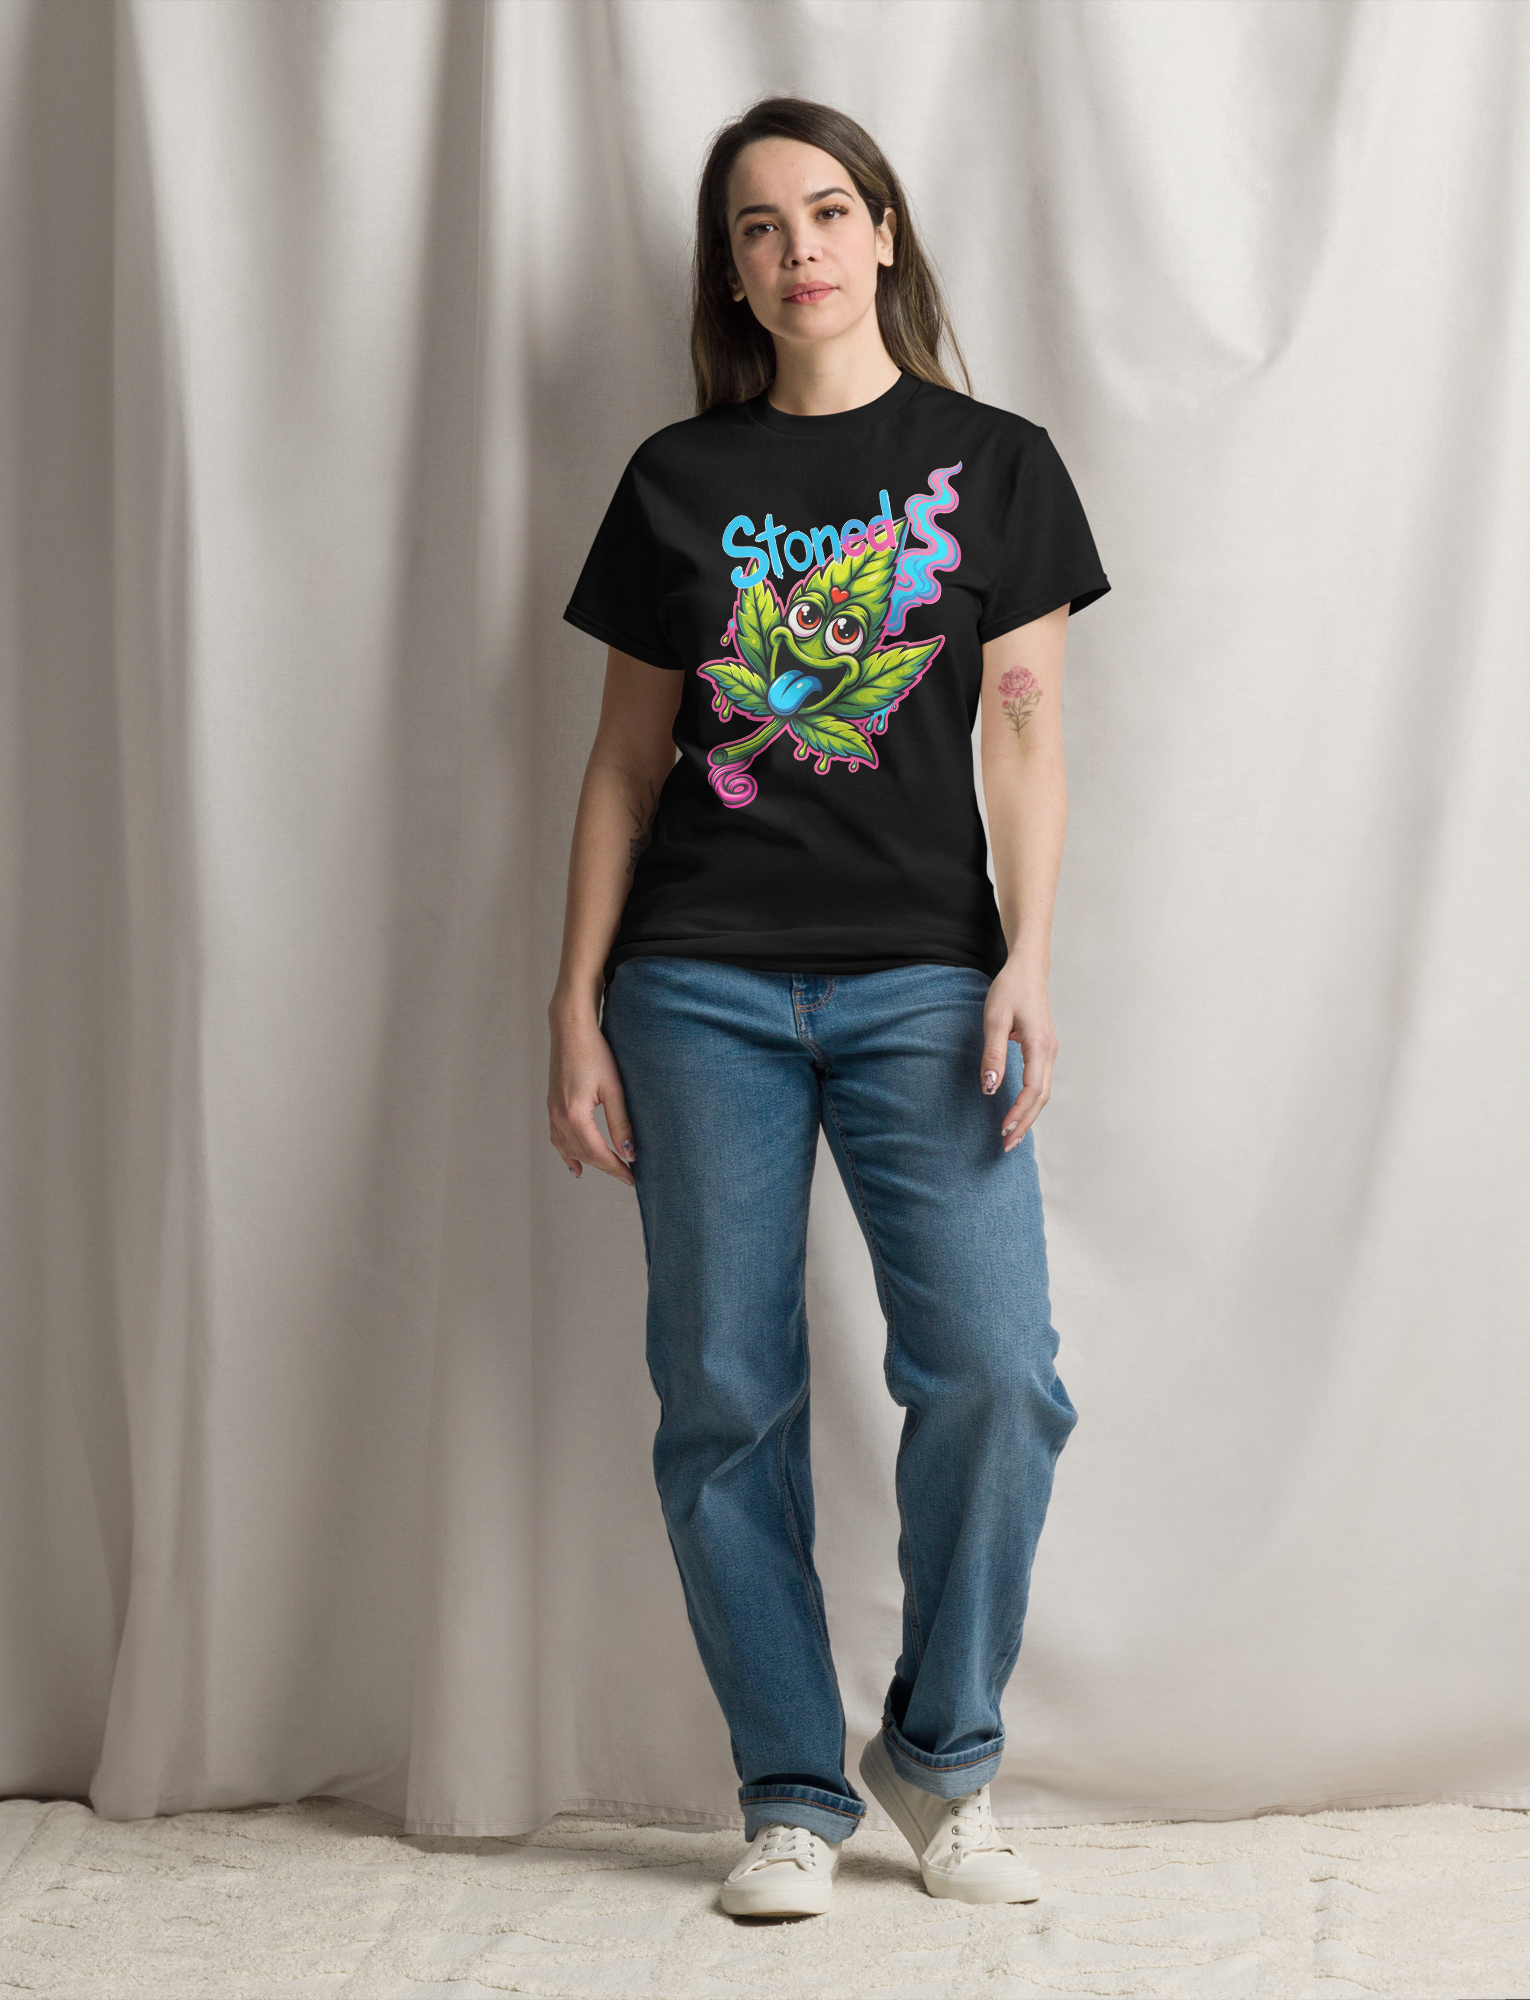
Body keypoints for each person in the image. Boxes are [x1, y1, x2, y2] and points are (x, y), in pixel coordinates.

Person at [547, 95, 1110, 1922]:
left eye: (829, 211)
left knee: (998, 1380)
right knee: (722, 1392)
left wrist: (1029, 954)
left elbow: (1024, 737)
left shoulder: (994, 466)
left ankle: (939, 1756)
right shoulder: (677, 479)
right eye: (759, 227)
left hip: (926, 981)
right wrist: (574, 1004)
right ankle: (791, 1787)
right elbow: (625, 766)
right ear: (733, 273)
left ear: (884, 233)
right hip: (694, 987)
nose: (799, 248)